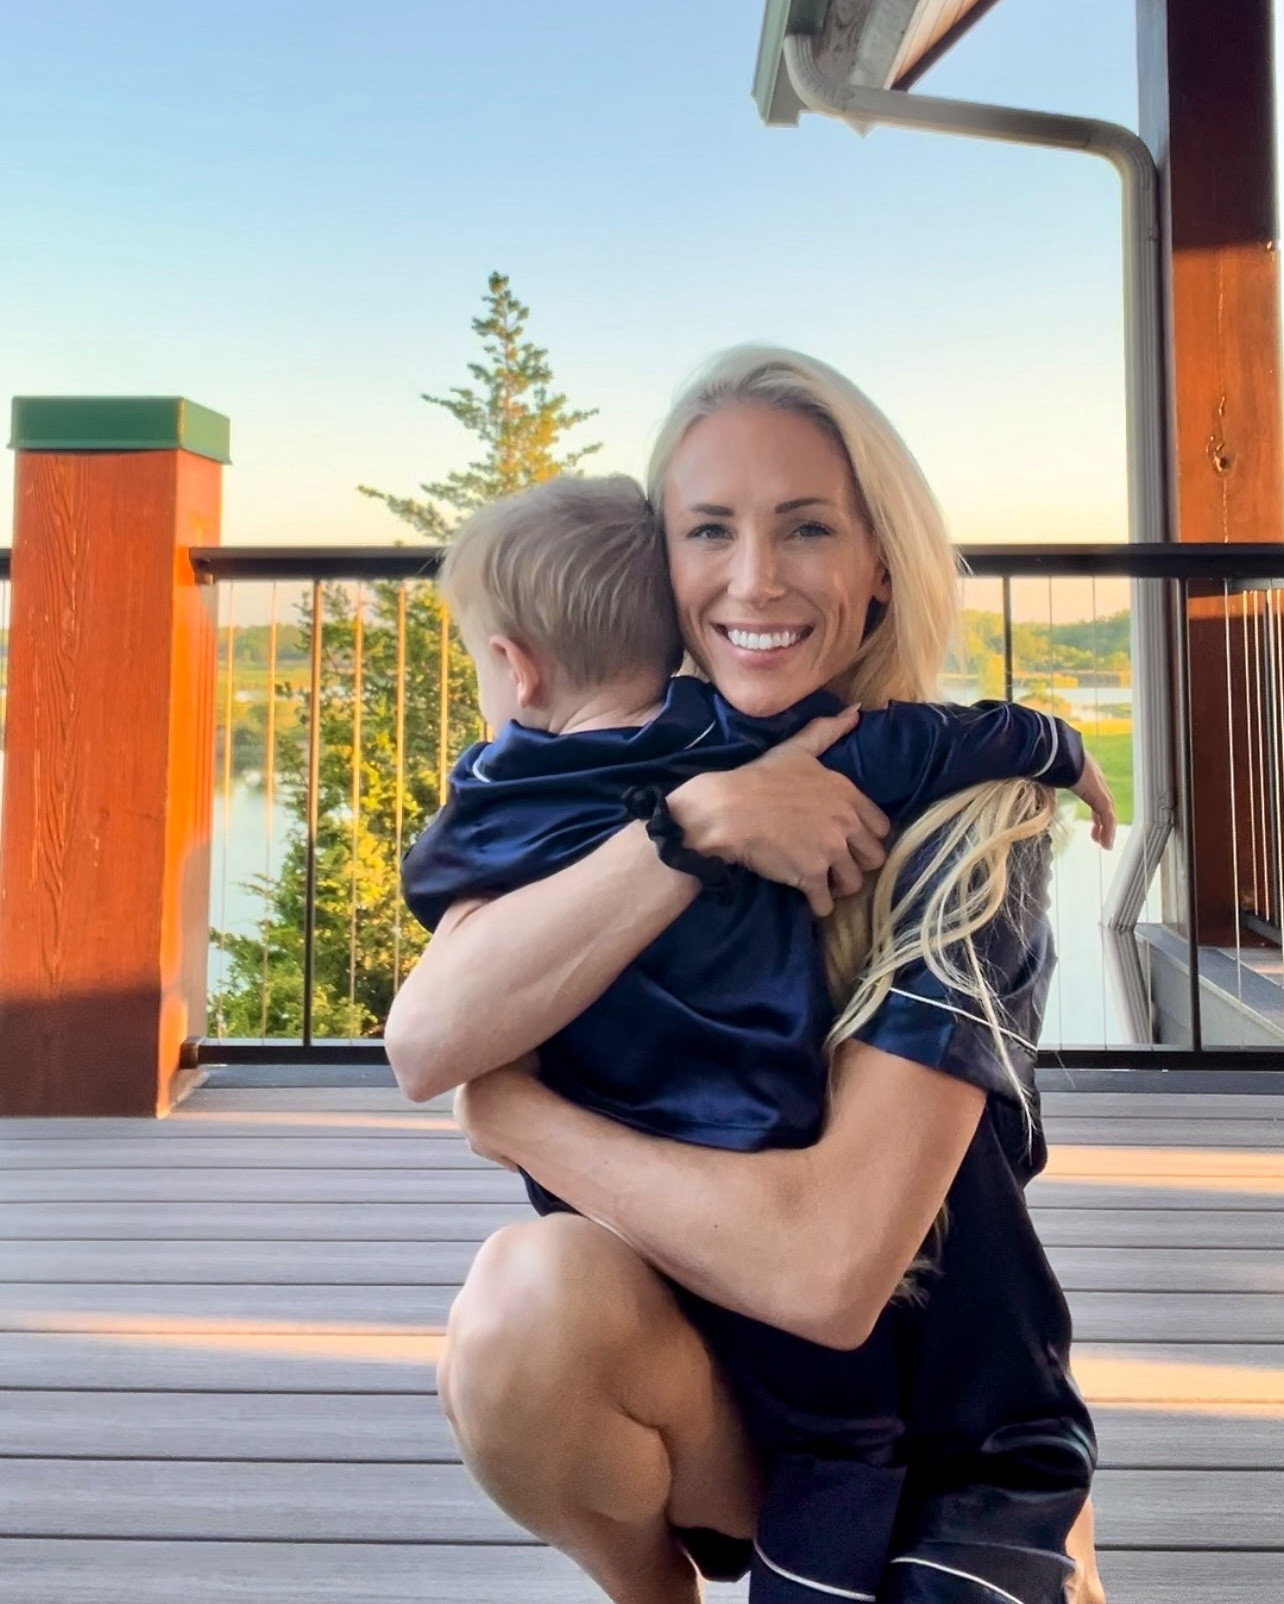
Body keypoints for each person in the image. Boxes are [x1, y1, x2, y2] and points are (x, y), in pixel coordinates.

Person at [385, 347, 1107, 1604]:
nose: (755, 577)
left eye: (808, 527)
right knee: (519, 1306)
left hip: (947, 1432)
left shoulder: (962, 824)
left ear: (883, 558)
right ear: (659, 567)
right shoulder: (629, 789)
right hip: (734, 1396)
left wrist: (524, 1116)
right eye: (708, 528)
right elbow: (424, 1033)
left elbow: (829, 1278)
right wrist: (693, 825)